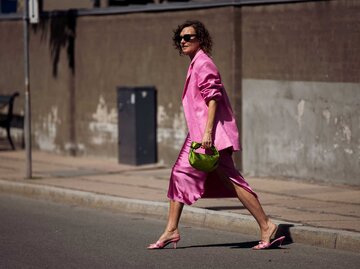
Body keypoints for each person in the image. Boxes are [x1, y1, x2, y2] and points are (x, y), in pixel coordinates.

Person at [147, 20, 285, 250]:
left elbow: (213, 99)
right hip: (200, 133)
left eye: (188, 37)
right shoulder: (195, 64)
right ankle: (171, 229)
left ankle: (266, 224)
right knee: (182, 174)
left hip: (208, 136)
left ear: (200, 39)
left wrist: (208, 133)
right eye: (180, 38)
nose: (183, 41)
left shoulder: (204, 63)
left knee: (230, 180)